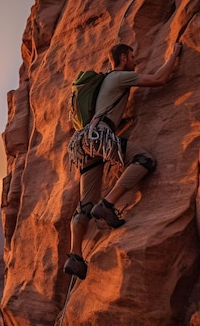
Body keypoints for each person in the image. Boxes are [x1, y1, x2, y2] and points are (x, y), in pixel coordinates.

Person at [63, 42, 182, 279]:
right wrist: (175, 53)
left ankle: (75, 256)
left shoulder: (105, 81)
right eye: (133, 56)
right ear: (124, 57)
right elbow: (159, 79)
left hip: (83, 141)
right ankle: (107, 205)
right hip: (99, 136)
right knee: (143, 160)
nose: (135, 61)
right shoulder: (120, 77)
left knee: (84, 205)